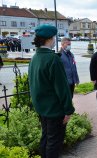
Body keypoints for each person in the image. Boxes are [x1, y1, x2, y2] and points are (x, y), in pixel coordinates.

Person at [28, 25, 75, 158]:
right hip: (54, 109)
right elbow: (62, 88)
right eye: (54, 37)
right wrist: (68, 110)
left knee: (46, 138)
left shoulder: (35, 57)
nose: (55, 40)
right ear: (49, 39)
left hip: (42, 107)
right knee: (54, 142)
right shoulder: (53, 58)